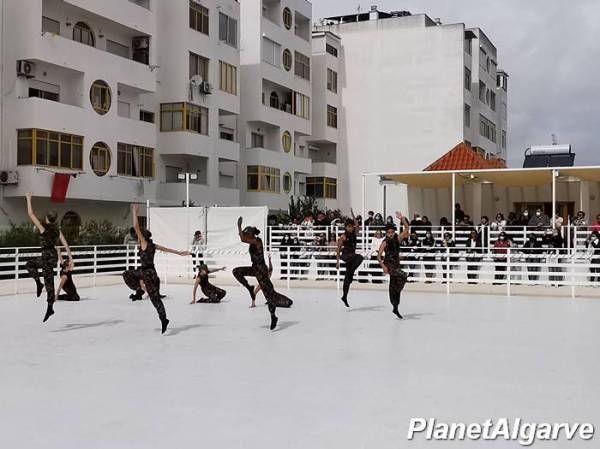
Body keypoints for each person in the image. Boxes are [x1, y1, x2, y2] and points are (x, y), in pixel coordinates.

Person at [122, 205, 189, 334]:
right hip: (153, 274)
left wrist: (134, 212)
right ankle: (164, 319)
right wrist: (179, 253)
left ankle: (139, 289)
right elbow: (166, 249)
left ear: (142, 237)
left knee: (126, 274)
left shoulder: (144, 243)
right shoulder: (153, 245)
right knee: (155, 299)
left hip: (145, 272)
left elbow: (136, 227)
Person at [233, 217, 293, 330]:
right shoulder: (251, 241)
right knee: (236, 271)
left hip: (261, 271)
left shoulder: (257, 241)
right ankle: (249, 288)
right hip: (255, 268)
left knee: (269, 297)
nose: (245, 235)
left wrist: (239, 226)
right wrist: (241, 230)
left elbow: (242, 239)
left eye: (247, 234)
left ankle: (273, 316)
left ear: (251, 234)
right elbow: (243, 237)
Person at [24, 193, 73, 322]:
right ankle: (43, 291)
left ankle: (40, 285)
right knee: (47, 278)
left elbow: (30, 214)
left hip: (46, 255)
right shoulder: (57, 230)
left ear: (47, 218)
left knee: (34, 269)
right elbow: (65, 243)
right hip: (52, 256)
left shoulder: (43, 229)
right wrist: (70, 258)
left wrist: (28, 199)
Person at [377, 212, 410, 319]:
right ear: (386, 233)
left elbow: (407, 228)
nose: (391, 234)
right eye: (389, 232)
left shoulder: (398, 238)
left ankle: (395, 307)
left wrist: (402, 219)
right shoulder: (384, 242)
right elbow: (378, 256)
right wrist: (383, 266)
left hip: (396, 264)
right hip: (389, 264)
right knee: (403, 275)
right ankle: (395, 297)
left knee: (394, 286)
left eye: (392, 232)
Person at [336, 209, 364, 307]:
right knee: (357, 257)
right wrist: (337, 261)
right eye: (348, 227)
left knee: (347, 278)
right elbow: (338, 249)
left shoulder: (354, 234)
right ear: (345, 227)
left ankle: (344, 296)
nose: (350, 228)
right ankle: (350, 274)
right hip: (346, 255)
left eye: (351, 226)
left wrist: (353, 216)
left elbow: (358, 225)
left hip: (352, 257)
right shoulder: (343, 237)